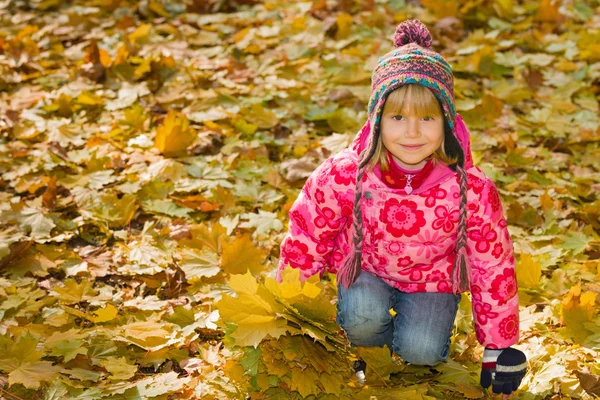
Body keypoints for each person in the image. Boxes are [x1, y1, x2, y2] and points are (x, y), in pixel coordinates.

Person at [276, 19, 528, 397]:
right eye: (398, 118)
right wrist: (287, 309)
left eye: (427, 118)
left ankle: (416, 334)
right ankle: (366, 349)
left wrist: (498, 346)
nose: (412, 133)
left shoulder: (470, 189)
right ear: (377, 120)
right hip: (366, 269)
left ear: (446, 121)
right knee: (363, 320)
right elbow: (308, 236)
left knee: (422, 351)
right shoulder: (346, 175)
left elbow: (492, 266)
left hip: (433, 281)